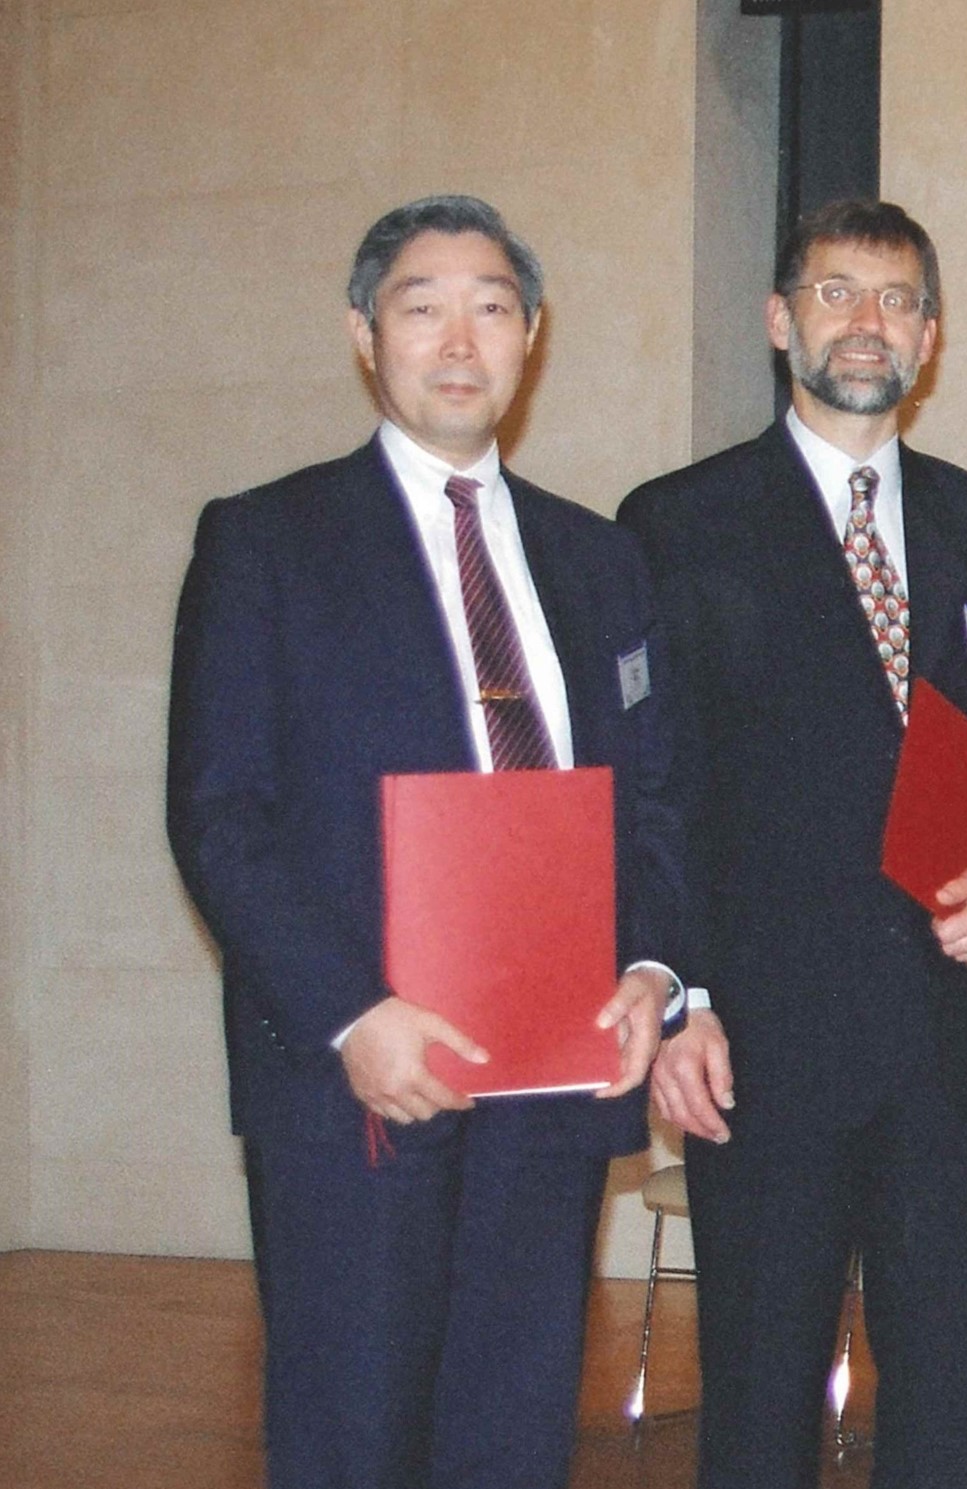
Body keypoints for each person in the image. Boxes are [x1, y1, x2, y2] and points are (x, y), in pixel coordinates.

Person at [165, 194, 682, 1489]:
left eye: (493, 306)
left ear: (532, 335)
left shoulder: (599, 558)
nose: (461, 337)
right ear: (363, 333)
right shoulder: (268, 540)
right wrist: (353, 1014)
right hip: (360, 1087)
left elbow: (656, 800)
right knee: (354, 1438)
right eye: (422, 304)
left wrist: (657, 973)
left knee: (509, 1439)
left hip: (552, 1086)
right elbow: (221, 814)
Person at [618, 199, 967, 1489]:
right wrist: (674, 994)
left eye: (898, 298)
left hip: (952, 1042)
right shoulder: (676, 522)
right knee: (756, 1396)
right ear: (779, 319)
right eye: (838, 293)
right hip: (761, 1044)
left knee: (948, 1401)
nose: (869, 323)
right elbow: (649, 789)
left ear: (933, 333)